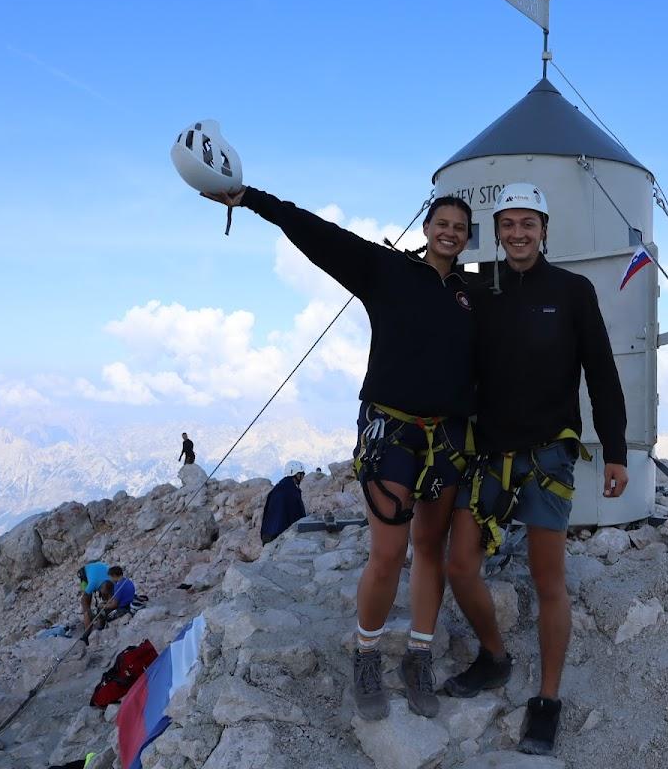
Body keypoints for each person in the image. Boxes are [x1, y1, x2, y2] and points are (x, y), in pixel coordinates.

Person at [203, 186, 477, 721]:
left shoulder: (470, 297)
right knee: (388, 553)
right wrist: (252, 198)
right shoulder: (385, 270)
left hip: (446, 437)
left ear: (468, 238)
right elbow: (319, 236)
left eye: (460, 227)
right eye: (441, 223)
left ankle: (418, 657)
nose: (449, 232)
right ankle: (367, 654)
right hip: (391, 432)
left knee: (429, 547)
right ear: (426, 228)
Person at [445, 183, 628, 756]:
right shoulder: (477, 288)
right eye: (508, 225)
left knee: (550, 581)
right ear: (496, 232)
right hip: (489, 453)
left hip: (548, 454)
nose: (518, 234)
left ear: (545, 230)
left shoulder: (572, 291)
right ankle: (496, 657)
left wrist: (616, 450)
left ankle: (546, 701)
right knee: (459, 567)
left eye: (528, 224)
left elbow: (601, 371)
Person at [261, 461, 308, 544]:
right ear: (295, 474)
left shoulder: (279, 487)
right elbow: (297, 515)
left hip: (267, 533)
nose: (303, 477)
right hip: (277, 536)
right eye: (301, 474)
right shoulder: (292, 491)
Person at [77, 561, 110, 636]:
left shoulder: (93, 582)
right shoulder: (98, 571)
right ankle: (93, 623)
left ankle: (87, 631)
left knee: (84, 601)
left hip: (92, 577)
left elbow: (85, 596)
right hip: (100, 578)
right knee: (89, 602)